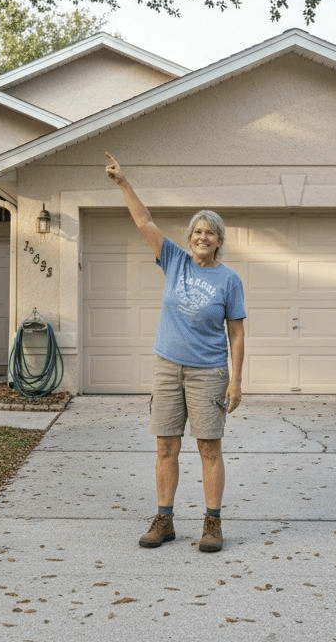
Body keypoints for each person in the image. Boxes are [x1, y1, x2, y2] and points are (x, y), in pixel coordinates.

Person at [104, 152, 246, 553]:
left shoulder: (228, 279)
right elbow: (143, 220)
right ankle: (164, 519)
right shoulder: (174, 261)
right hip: (168, 368)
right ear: (189, 238)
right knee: (166, 446)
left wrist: (236, 380)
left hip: (209, 372)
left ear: (219, 240)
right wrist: (122, 182)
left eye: (210, 233)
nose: (202, 237)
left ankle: (212, 523)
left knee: (208, 447)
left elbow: (236, 331)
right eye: (197, 232)